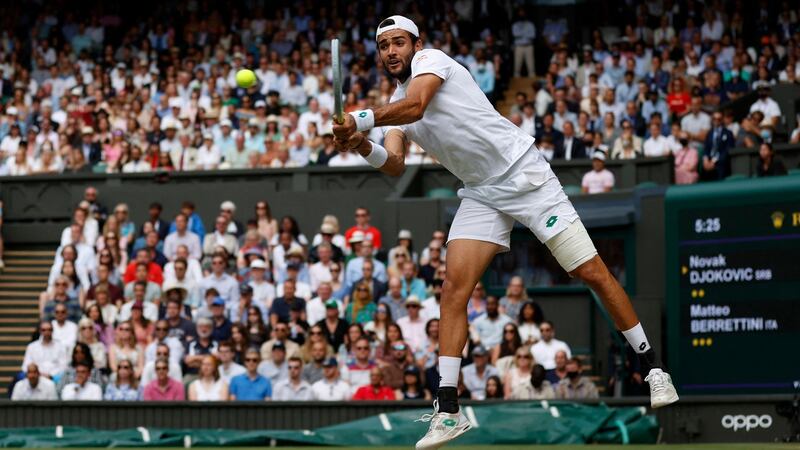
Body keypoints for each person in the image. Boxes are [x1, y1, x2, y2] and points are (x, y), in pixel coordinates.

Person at [333, 17, 676, 447]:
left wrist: (359, 119)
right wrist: (361, 144)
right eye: (383, 47)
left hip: (525, 175)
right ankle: (448, 409)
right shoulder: (394, 104)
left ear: (415, 44)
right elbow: (395, 164)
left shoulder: (432, 61)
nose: (391, 52)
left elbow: (418, 106)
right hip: (482, 193)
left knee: (589, 272)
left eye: (398, 42)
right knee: (453, 288)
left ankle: (654, 368)